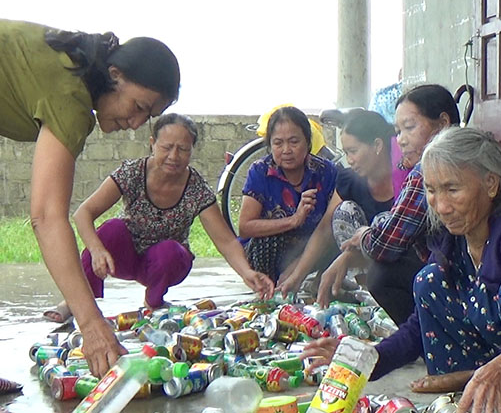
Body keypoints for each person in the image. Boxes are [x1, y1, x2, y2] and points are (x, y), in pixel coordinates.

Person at [302, 127, 501, 409]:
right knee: (430, 281)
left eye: (452, 189)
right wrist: (370, 359)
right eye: (432, 191)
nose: (441, 206)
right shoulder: (456, 235)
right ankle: (469, 386)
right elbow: (421, 324)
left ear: (490, 184)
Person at [1, 19, 180, 376]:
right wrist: (92, 324)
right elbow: (47, 217)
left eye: (149, 116)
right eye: (139, 105)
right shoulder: (70, 98)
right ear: (115, 74)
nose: (135, 122)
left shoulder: (68, 66)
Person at [45, 114, 274, 321]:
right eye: (167, 147)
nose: (174, 156)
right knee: (112, 229)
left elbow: (225, 240)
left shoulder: (196, 188)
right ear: (152, 144)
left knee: (171, 251)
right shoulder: (132, 172)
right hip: (124, 257)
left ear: (192, 150)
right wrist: (96, 249)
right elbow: (83, 213)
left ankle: (153, 302)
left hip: (164, 265)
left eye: (183, 149)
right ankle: (76, 301)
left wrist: (247, 273)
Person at [326, 84, 461, 325]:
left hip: (458, 276)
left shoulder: (427, 170)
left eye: (409, 128)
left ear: (442, 125)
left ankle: (428, 332)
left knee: (382, 274)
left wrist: (365, 234)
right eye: (398, 131)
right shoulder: (454, 157)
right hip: (460, 269)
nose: (402, 140)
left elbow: (384, 244)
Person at [276, 109, 397, 303]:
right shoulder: (349, 180)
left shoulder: (404, 179)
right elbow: (324, 228)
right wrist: (297, 275)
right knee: (344, 211)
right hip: (362, 260)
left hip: (398, 262)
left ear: (377, 145)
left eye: (353, 151)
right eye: (346, 153)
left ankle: (386, 292)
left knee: (384, 222)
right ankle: (364, 287)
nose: (349, 160)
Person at [238, 106, 338, 282]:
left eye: (294, 142)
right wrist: (294, 220)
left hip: (311, 249)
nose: (286, 150)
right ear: (270, 145)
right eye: (278, 143)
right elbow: (245, 227)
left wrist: (298, 268)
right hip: (272, 253)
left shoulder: (326, 172)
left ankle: (322, 282)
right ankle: (270, 286)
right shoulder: (260, 171)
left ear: (308, 143)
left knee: (339, 227)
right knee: (266, 241)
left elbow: (332, 224)